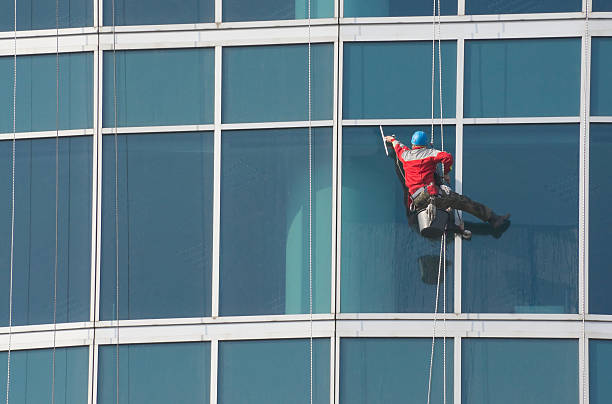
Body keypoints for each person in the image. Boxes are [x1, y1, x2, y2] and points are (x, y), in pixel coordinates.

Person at [384, 130, 510, 229]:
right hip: (430, 196)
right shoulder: (430, 153)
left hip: (417, 200)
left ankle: (452, 227)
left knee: (444, 203)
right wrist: (446, 173)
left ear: (413, 144)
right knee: (463, 202)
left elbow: (398, 146)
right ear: (425, 144)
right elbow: (447, 157)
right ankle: (493, 219)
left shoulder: (405, 155)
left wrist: (391, 139)